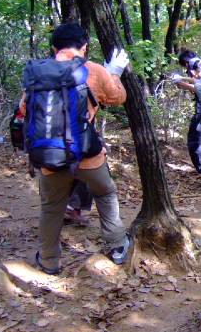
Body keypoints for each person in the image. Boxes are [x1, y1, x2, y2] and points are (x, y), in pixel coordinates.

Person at [20, 23, 131, 274]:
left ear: (54, 48)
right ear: (84, 47)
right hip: (87, 156)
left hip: (49, 155)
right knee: (105, 193)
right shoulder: (94, 70)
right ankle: (117, 246)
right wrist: (114, 73)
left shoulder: (38, 73)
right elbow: (118, 98)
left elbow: (24, 109)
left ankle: (48, 260)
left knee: (51, 207)